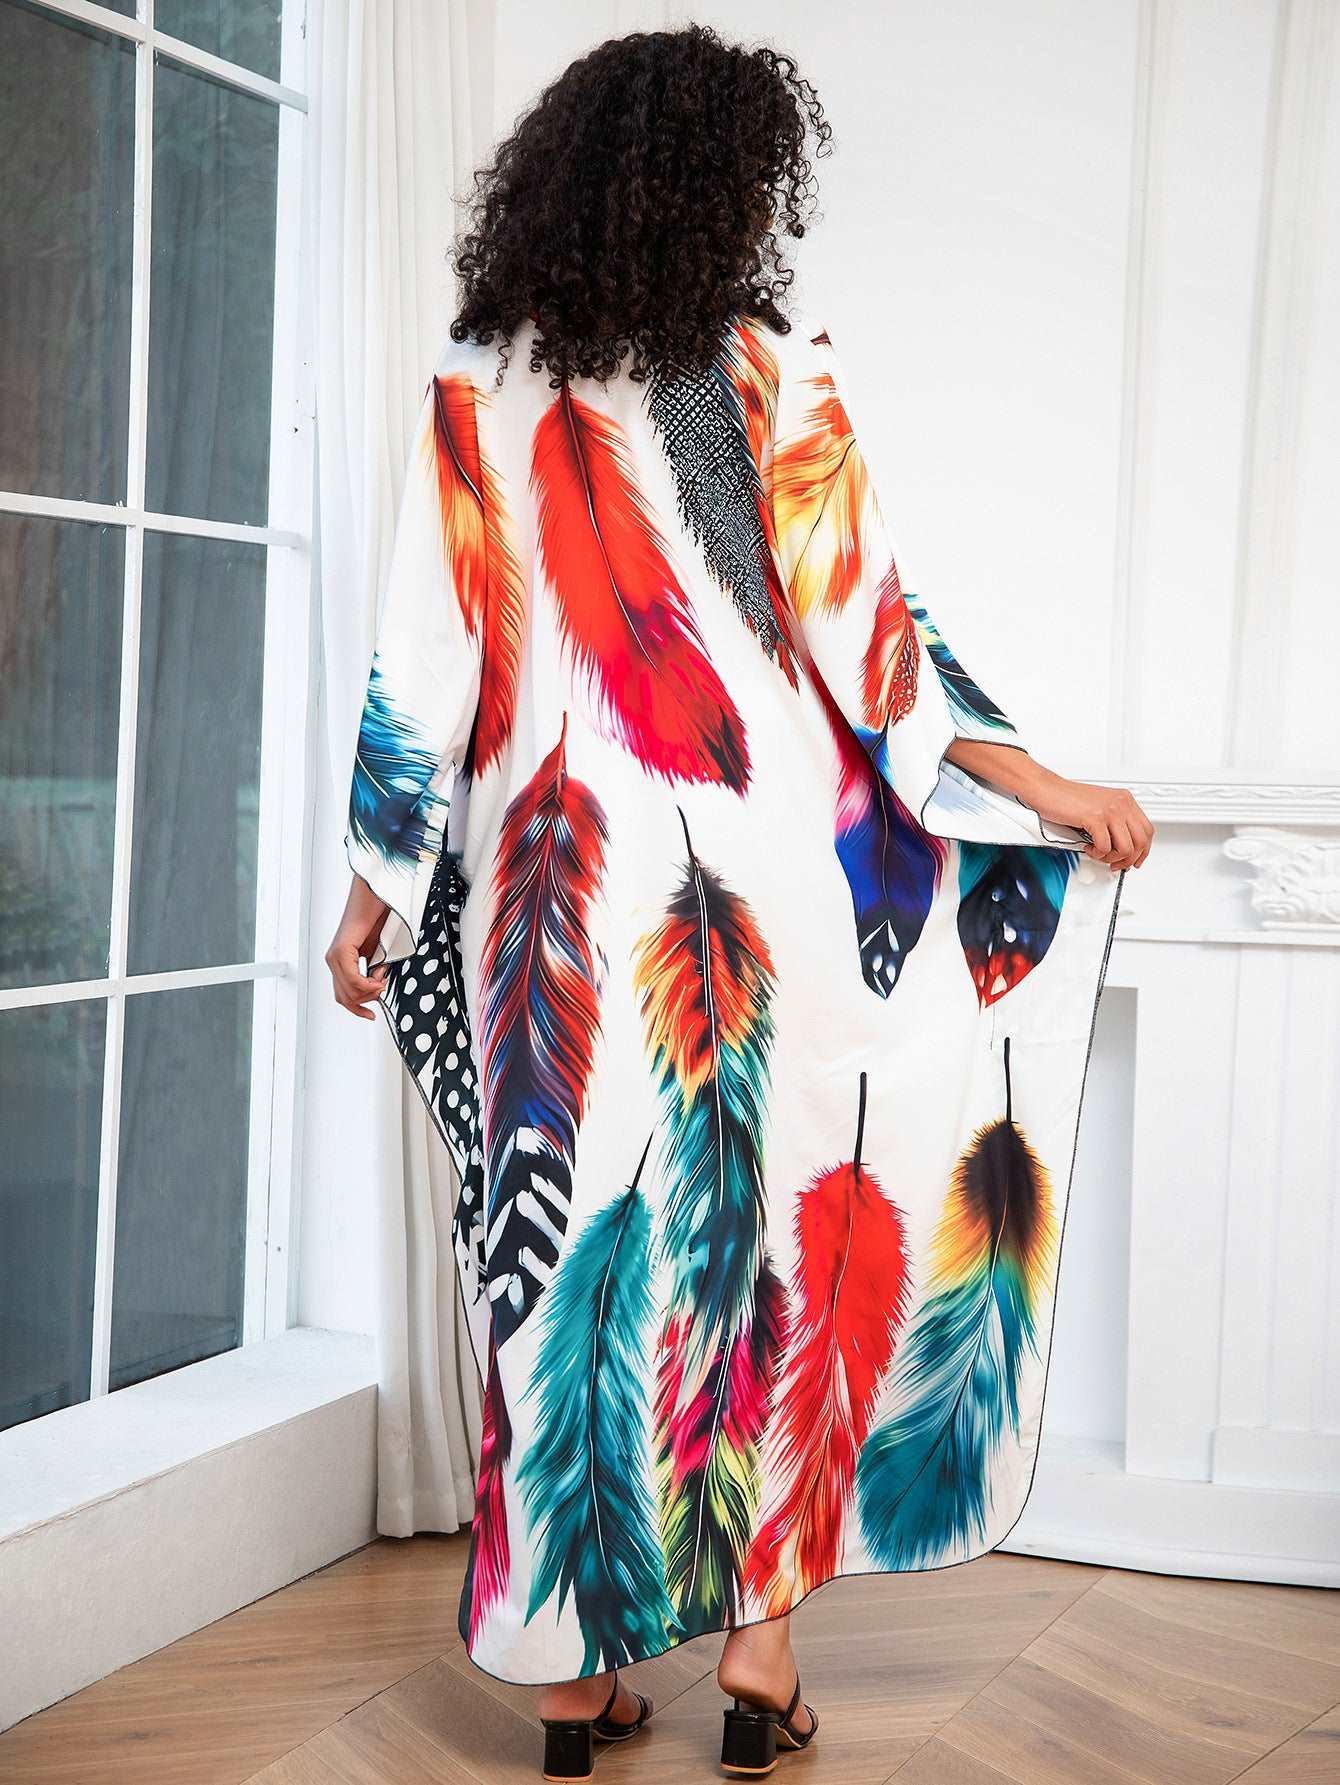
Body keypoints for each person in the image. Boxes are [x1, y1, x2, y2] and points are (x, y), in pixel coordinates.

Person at [327, 24, 1153, 1782]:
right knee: (768, 1244)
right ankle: (760, 1667)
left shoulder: (478, 382)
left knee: (555, 1277)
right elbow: (877, 642)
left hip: (561, 896)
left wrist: (372, 887)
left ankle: (571, 1688)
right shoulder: (773, 374)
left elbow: (427, 651)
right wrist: (1043, 789)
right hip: (760, 901)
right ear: (733, 190)